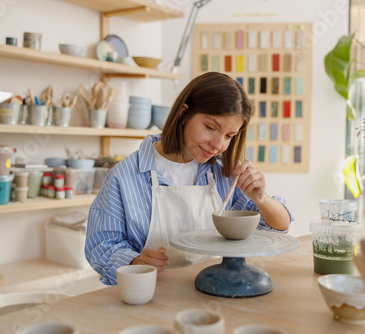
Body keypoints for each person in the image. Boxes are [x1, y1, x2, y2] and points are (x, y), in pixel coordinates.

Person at [85, 72, 293, 285]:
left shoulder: (224, 175)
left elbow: (278, 227)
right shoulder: (126, 176)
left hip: (216, 291)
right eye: (211, 128)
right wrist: (133, 262)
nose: (218, 145)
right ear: (184, 114)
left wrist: (261, 199)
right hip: (152, 296)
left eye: (229, 136)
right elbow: (101, 246)